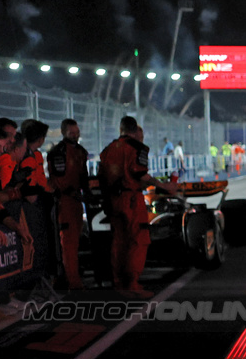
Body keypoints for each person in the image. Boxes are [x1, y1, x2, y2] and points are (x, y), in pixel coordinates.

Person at [98, 116, 179, 297]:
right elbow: (140, 175)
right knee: (138, 240)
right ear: (134, 132)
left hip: (112, 200)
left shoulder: (108, 150)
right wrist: (166, 186)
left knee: (118, 242)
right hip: (131, 200)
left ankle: (119, 284)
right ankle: (132, 284)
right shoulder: (136, 148)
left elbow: (101, 175)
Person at [47, 119, 91, 289]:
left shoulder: (81, 151)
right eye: (72, 132)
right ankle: (73, 282)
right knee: (68, 244)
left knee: (74, 242)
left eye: (77, 131)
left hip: (77, 202)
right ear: (64, 132)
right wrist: (72, 192)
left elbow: (84, 177)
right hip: (64, 202)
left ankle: (71, 277)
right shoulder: (58, 152)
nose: (75, 134)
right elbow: (59, 181)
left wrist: (86, 193)